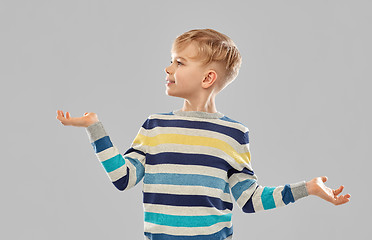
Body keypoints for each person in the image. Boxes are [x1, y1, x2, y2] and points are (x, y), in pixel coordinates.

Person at [56, 28, 350, 240]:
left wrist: (308, 188)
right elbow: (124, 178)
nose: (168, 67)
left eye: (179, 62)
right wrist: (95, 128)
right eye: (171, 59)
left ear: (208, 78)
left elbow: (249, 200)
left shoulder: (233, 134)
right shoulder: (154, 126)